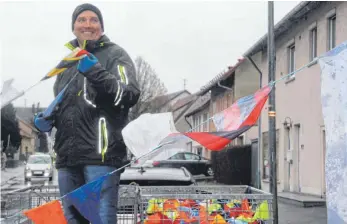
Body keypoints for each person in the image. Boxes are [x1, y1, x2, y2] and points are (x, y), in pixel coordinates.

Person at [34, 3, 140, 224]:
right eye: (82, 20)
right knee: (73, 219)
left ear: (101, 27)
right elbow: (66, 105)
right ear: (74, 27)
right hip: (67, 157)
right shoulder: (67, 63)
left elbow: (129, 95)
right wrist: (49, 119)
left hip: (101, 157)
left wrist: (95, 71)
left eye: (94, 20)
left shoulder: (116, 55)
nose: (88, 24)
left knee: (101, 218)